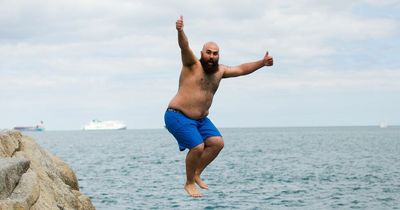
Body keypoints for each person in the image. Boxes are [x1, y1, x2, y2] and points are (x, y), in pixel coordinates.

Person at [164, 16, 274, 197]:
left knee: (217, 143)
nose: (211, 56)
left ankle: (197, 173)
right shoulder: (191, 64)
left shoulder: (220, 71)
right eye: (208, 52)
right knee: (198, 147)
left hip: (200, 120)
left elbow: (241, 69)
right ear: (202, 52)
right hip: (177, 115)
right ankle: (189, 182)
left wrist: (261, 63)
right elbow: (184, 46)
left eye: (215, 53)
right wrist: (180, 31)